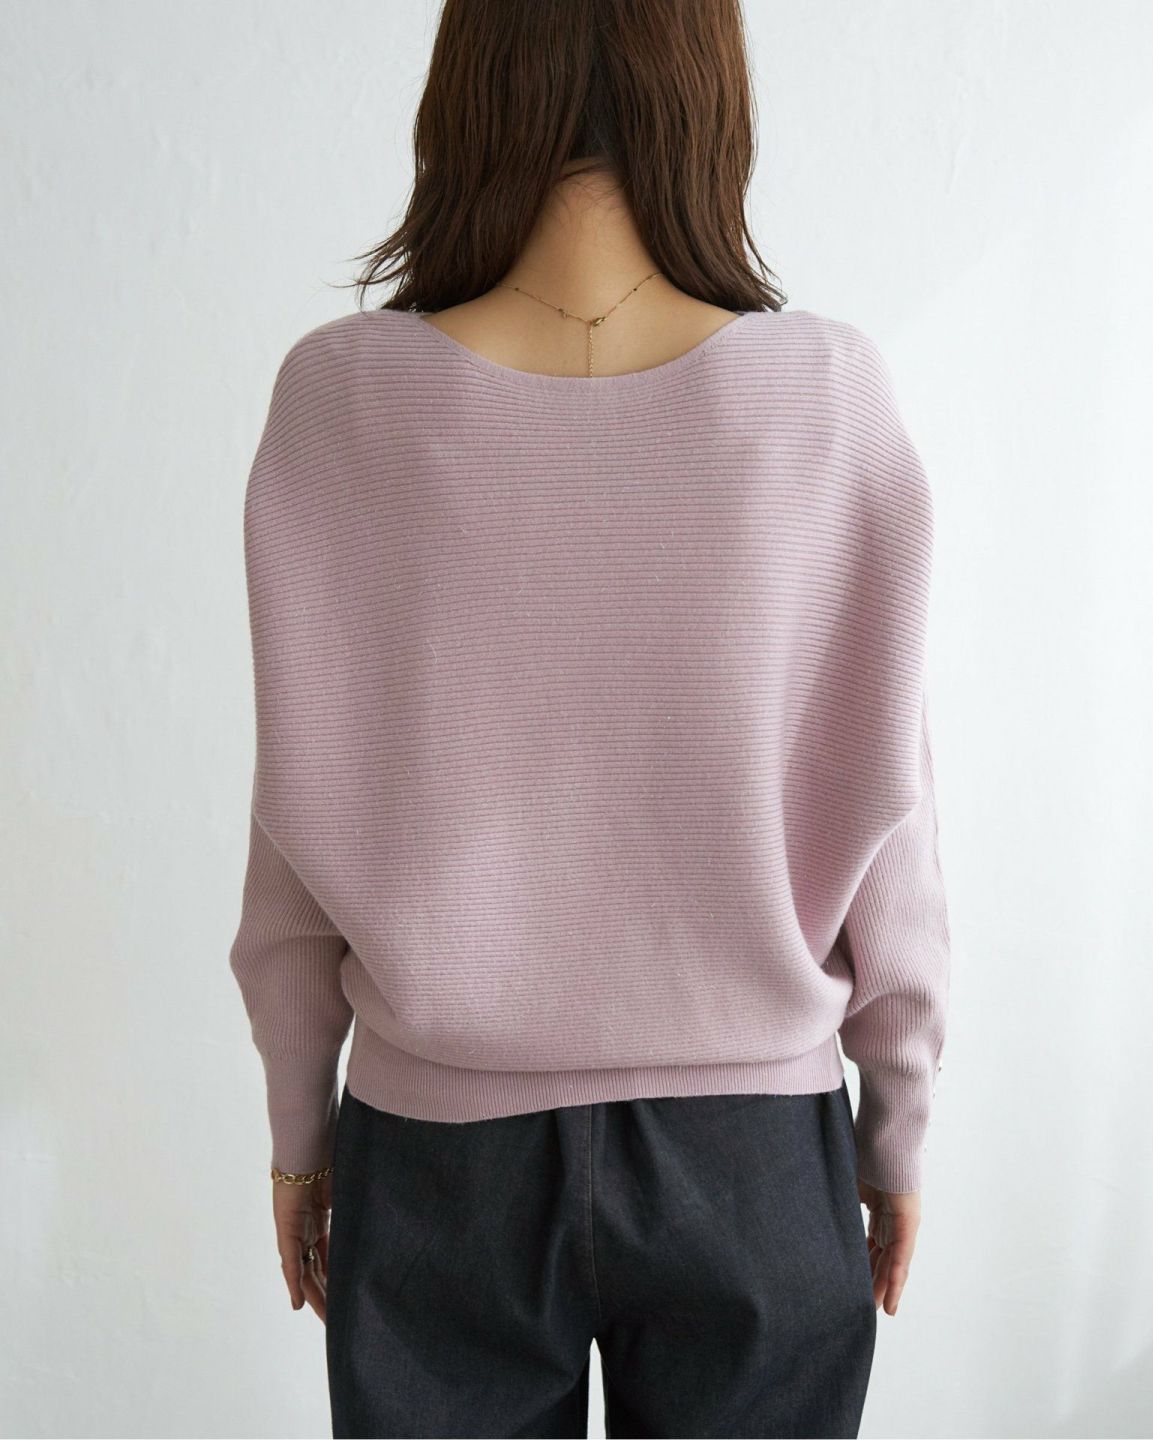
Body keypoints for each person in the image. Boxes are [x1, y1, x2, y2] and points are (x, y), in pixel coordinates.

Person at [228, 1, 952, 1435]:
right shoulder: (825, 398)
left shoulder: (339, 403)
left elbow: (297, 826)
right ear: (707, 92)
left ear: (471, 83)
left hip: (439, 1166)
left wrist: (301, 1137)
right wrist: (898, 1127)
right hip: (754, 1161)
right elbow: (894, 824)